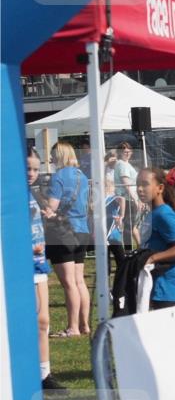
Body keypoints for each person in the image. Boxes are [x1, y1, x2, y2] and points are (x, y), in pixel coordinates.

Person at [46, 142, 91, 338]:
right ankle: (84, 325)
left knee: (68, 283)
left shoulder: (58, 177)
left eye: (52, 155)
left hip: (63, 232)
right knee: (79, 281)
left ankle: (72, 327)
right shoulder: (83, 176)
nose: (51, 159)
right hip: (82, 230)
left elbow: (52, 208)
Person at [27, 150, 63, 390]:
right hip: (21, 265)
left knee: (43, 320)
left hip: (38, 262)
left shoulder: (32, 193)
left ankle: (44, 374)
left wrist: (44, 216)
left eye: (36, 169)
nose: (31, 174)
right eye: (27, 168)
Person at [136, 168, 175, 309]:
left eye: (145, 184)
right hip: (157, 280)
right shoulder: (152, 213)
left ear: (160, 188)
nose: (140, 189)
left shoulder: (163, 214)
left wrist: (152, 259)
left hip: (169, 284)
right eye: (137, 185)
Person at [113, 142, 140, 249]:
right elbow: (126, 184)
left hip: (130, 199)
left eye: (129, 151)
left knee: (132, 226)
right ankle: (128, 251)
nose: (127, 153)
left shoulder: (126, 164)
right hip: (127, 199)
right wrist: (136, 200)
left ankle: (140, 248)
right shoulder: (122, 164)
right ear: (120, 152)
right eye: (125, 151)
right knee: (128, 227)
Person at [105, 178, 126, 271]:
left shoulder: (111, 198)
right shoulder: (100, 200)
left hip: (113, 233)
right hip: (105, 233)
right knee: (105, 261)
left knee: (120, 258)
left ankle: (123, 277)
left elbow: (122, 199)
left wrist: (122, 215)